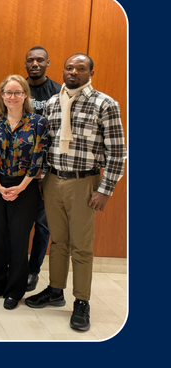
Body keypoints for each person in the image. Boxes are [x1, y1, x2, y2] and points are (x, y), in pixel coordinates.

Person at [25, 53, 127, 331]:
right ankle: (55, 290)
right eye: (69, 67)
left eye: (80, 68)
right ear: (63, 70)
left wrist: (105, 189)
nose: (73, 72)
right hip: (53, 180)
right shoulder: (52, 103)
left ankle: (82, 302)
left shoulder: (105, 104)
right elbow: (44, 143)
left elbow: (118, 152)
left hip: (85, 183)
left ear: (90, 72)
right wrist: (42, 178)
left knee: (81, 246)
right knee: (57, 241)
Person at [0, 74, 48, 310]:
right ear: (2, 95)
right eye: (8, 92)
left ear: (25, 95)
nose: (12, 97)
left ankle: (14, 290)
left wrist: (21, 186)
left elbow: (39, 158)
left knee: (19, 240)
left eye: (17, 92)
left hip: (26, 188)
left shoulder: (38, 122)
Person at [23, 46, 62, 291]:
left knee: (43, 225)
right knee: (17, 224)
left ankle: (33, 271)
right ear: (25, 64)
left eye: (40, 60)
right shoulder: (17, 88)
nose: (35, 63)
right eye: (30, 60)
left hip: (47, 172)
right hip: (18, 170)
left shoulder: (59, 91)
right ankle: (14, 266)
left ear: (48, 62)